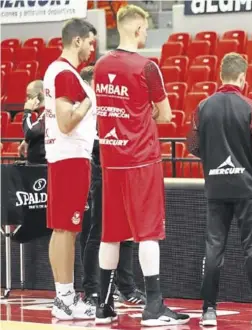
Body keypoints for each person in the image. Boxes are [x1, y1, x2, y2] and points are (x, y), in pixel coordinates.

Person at [93, 4, 189, 326]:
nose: (146, 33)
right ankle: (153, 306)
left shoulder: (101, 66)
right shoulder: (147, 66)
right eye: (145, 29)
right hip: (140, 159)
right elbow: (166, 114)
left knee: (111, 235)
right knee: (148, 233)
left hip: (110, 160)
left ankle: (103, 306)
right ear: (137, 30)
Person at [186, 52, 252, 327]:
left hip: (215, 188)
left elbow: (193, 146)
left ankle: (208, 310)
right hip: (247, 189)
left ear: (221, 75)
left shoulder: (202, 107)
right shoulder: (251, 107)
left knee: (213, 248)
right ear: (243, 77)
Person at [77, 66, 146, 308]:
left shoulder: (112, 107)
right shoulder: (84, 111)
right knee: (97, 233)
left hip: (121, 172)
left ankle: (125, 287)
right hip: (99, 175)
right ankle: (93, 289)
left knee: (126, 233)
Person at [43, 18, 98, 320]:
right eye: (90, 41)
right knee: (67, 229)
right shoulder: (66, 74)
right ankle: (65, 299)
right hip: (70, 157)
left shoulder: (57, 71)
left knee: (62, 229)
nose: (92, 48)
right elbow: (66, 122)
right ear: (77, 41)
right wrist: (90, 99)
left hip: (63, 157)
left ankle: (62, 297)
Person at [19, 80, 46, 164]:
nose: (27, 100)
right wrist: (27, 140)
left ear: (41, 93)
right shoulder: (42, 113)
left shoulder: (50, 111)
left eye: (30, 96)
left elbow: (30, 132)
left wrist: (27, 111)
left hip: (44, 167)